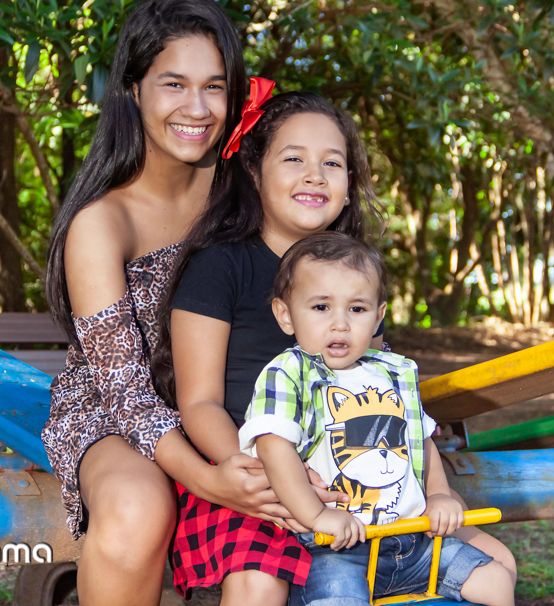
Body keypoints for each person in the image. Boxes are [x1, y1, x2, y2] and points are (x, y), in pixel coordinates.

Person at [41, 0, 292, 606]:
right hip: (115, 412)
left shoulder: (246, 188)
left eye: (214, 87)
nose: (196, 108)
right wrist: (210, 480)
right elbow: (125, 395)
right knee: (138, 505)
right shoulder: (103, 223)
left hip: (233, 402)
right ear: (134, 90)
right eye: (174, 84)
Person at [153, 88, 384, 605]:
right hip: (245, 476)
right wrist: (267, 472)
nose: (315, 175)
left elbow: (376, 382)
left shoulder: (357, 277)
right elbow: (200, 403)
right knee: (258, 581)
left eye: (332, 163)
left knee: (486, 560)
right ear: (255, 174)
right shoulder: (219, 267)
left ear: (349, 187)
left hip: (345, 470)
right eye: (294, 159)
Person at [238, 232, 516, 606]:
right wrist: (317, 515)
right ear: (285, 314)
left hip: (415, 540)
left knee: (496, 580)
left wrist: (438, 495)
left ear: (378, 316)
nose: (340, 324)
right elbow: (273, 449)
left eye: (357, 309)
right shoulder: (289, 373)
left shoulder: (394, 372)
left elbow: (421, 440)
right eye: (321, 307)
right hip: (335, 548)